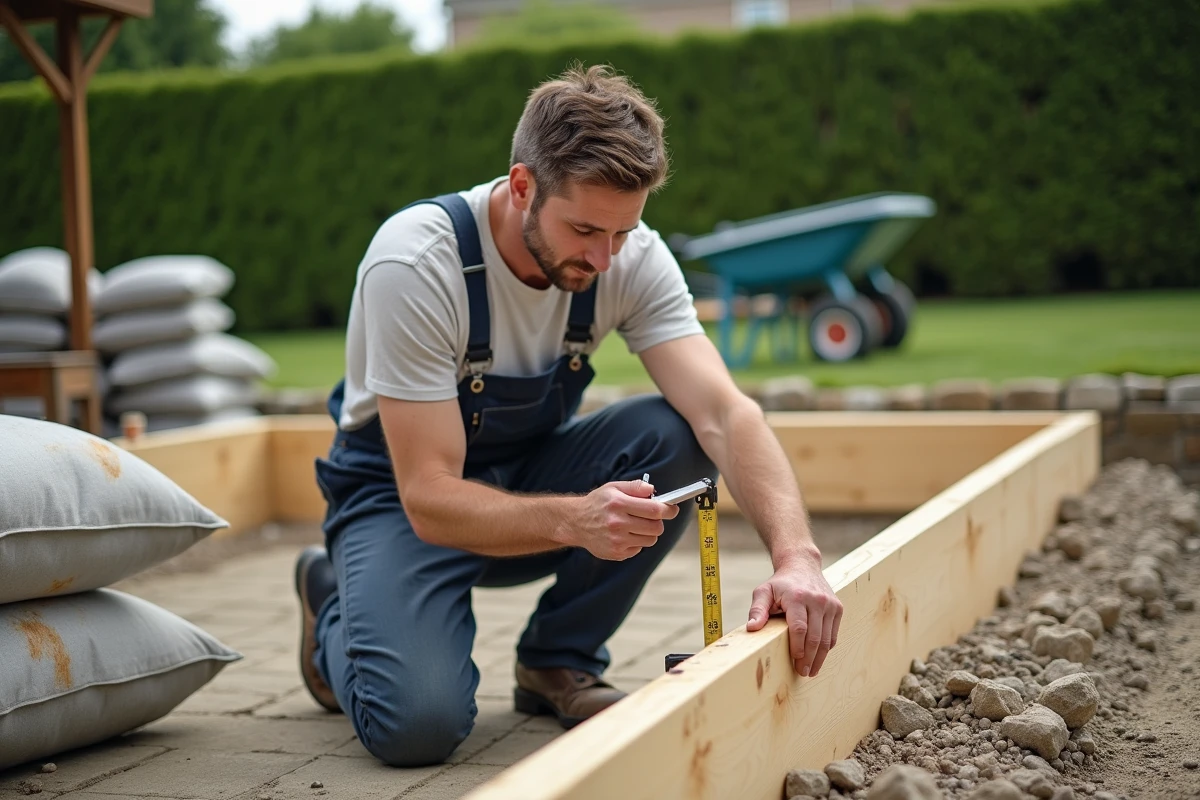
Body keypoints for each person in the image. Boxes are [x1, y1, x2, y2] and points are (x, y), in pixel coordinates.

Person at [293, 63, 843, 768]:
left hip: (527, 472)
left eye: (622, 233)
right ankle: (333, 606)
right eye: (585, 230)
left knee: (674, 435)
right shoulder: (417, 263)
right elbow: (429, 496)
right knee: (416, 727)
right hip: (403, 502)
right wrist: (574, 519)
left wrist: (798, 558)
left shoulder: (627, 256)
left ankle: (557, 661)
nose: (605, 258)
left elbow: (727, 416)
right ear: (523, 185)